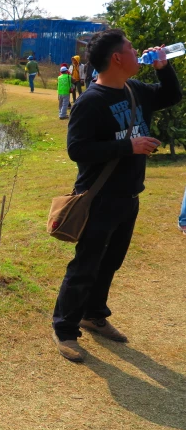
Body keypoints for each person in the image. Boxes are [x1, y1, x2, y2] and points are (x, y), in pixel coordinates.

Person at [51, 29, 182, 362]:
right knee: (86, 265)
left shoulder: (134, 88)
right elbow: (77, 149)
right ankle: (65, 329)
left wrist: (164, 67)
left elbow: (171, 96)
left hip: (128, 195)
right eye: (132, 48)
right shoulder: (91, 101)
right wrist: (129, 146)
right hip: (99, 198)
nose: (138, 53)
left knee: (111, 262)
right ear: (117, 59)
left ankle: (94, 315)